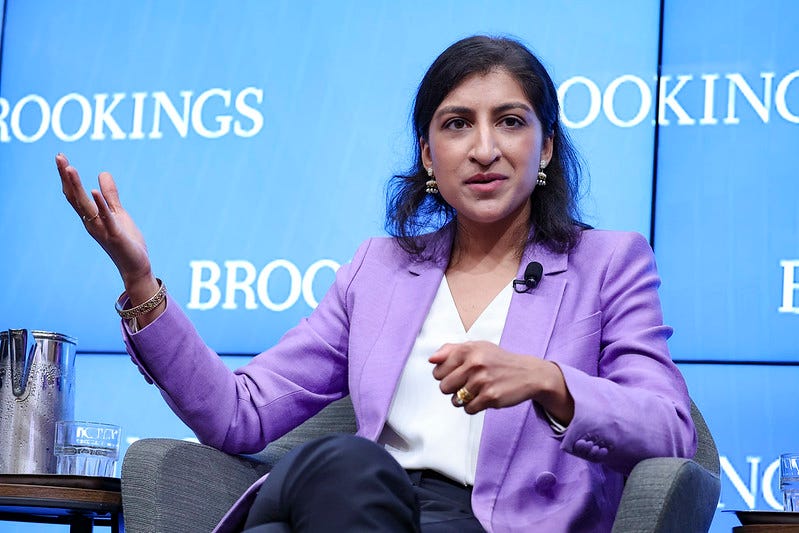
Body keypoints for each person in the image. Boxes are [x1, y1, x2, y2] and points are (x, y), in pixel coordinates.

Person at [56, 35, 696, 532]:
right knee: (350, 467)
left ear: (547, 148)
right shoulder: (379, 269)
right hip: (354, 499)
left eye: (509, 121)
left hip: (486, 523)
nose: (483, 149)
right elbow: (239, 414)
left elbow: (670, 431)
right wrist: (139, 279)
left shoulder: (608, 263)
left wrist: (548, 382)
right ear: (426, 157)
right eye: (456, 124)